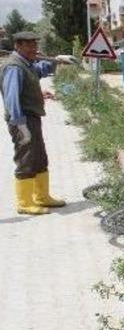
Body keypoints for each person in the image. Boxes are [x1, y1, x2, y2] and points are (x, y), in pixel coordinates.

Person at [0, 31, 69, 215]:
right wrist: (20, 126)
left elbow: (39, 71)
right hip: (22, 120)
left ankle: (42, 196)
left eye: (35, 44)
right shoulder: (14, 67)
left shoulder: (26, 64)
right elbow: (12, 99)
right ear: (18, 46)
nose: (34, 48)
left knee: (39, 158)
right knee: (26, 159)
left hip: (32, 119)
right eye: (29, 45)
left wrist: (56, 60)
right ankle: (24, 203)